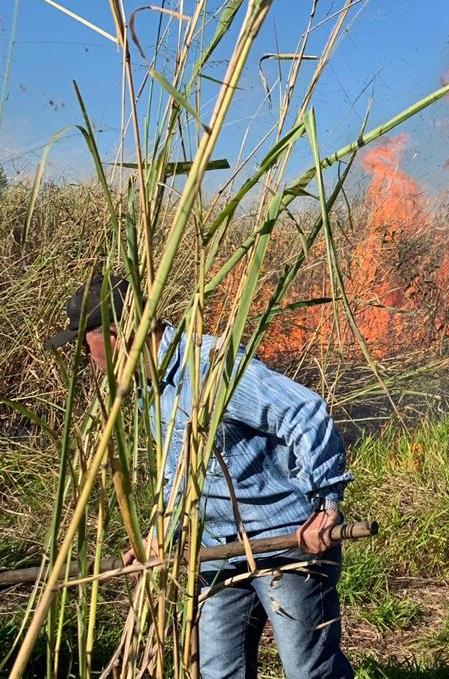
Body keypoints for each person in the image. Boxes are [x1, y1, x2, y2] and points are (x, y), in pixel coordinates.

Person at [45, 273, 355, 679]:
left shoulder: (211, 367)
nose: (88, 358)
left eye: (87, 345)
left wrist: (327, 504)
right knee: (219, 671)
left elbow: (304, 412)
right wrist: (160, 532)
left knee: (307, 670)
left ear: (118, 334)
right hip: (217, 551)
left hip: (286, 542)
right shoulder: (148, 387)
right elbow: (183, 468)